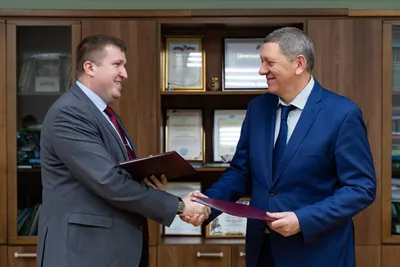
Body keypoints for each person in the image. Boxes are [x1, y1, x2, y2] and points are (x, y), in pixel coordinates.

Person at [185, 27, 377, 267]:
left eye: (269, 62)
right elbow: (240, 173)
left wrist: (302, 219)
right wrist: (207, 204)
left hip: (317, 253)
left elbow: (361, 188)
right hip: (262, 251)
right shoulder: (258, 108)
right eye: (261, 62)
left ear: (299, 64)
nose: (261, 70)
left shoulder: (343, 114)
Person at [36, 34, 210, 267]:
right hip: (83, 253)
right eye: (117, 64)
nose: (124, 74)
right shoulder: (69, 113)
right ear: (90, 67)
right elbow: (108, 180)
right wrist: (178, 205)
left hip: (109, 251)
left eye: (124, 66)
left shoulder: (105, 114)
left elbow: (114, 174)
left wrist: (145, 183)